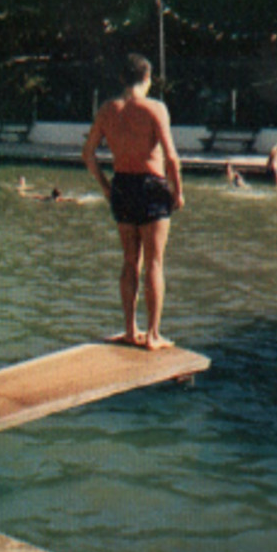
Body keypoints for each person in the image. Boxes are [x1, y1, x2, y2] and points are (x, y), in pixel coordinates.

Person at [81, 54, 183, 350]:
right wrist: (178, 192)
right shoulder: (155, 108)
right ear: (148, 79)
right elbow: (172, 157)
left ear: (123, 79)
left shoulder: (107, 110)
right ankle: (152, 335)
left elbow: (88, 155)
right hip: (151, 186)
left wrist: (105, 187)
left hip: (122, 186)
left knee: (129, 261)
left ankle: (129, 330)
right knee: (154, 262)